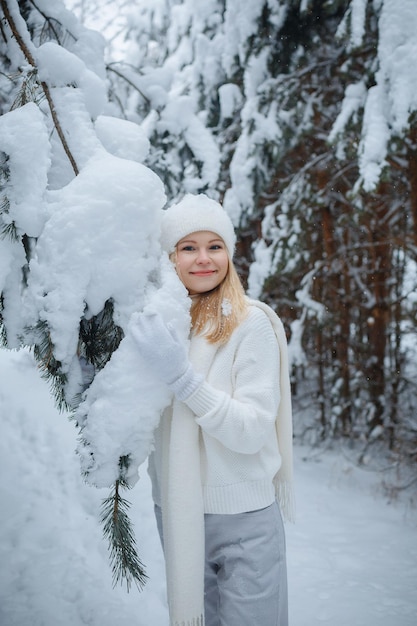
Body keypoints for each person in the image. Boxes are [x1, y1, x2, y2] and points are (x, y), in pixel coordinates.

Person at [131, 193, 294, 626]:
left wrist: (182, 377)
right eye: (188, 247)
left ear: (229, 253)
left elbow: (251, 430)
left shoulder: (250, 323)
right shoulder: (157, 325)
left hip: (245, 520)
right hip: (178, 510)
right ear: (169, 258)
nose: (204, 259)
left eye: (215, 246)